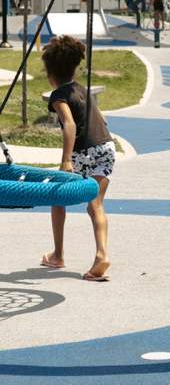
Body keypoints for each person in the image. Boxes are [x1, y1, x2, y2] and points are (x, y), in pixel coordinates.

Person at [40, 35, 115, 282]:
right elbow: (101, 119)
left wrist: (65, 161)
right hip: (105, 147)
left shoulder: (58, 96)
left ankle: (58, 255)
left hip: (83, 152)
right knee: (96, 204)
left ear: (50, 73)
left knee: (57, 196)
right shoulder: (83, 89)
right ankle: (101, 255)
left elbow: (69, 125)